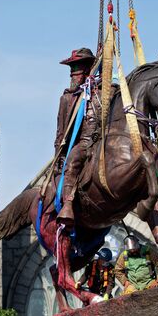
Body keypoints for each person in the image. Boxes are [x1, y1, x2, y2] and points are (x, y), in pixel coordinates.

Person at [54, 48, 99, 227]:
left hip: (102, 141)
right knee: (73, 162)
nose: (73, 74)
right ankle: (68, 205)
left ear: (87, 70)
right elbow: (60, 132)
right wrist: (58, 156)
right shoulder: (67, 98)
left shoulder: (102, 92)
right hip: (83, 144)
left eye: (77, 69)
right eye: (71, 70)